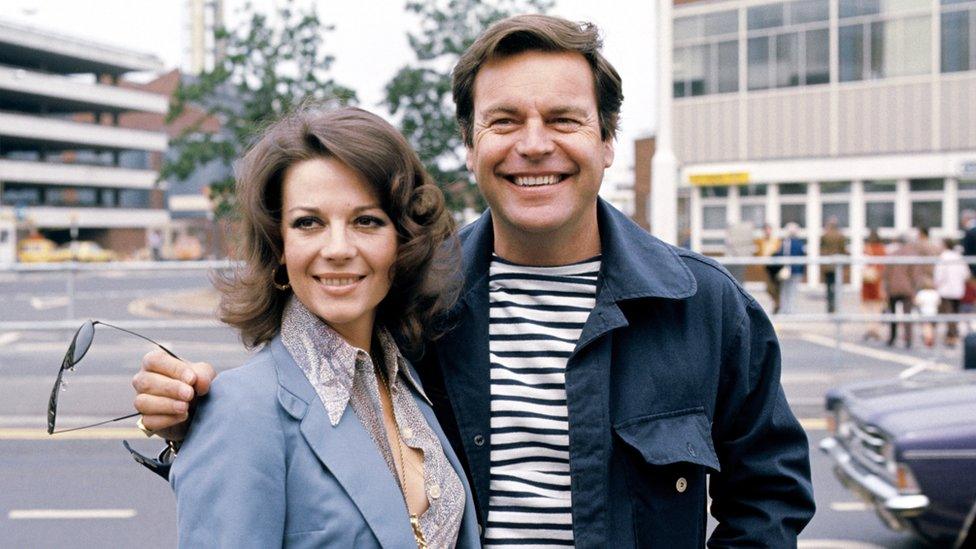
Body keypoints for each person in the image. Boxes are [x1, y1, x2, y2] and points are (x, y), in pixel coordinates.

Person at [132, 15, 814, 547]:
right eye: (505, 121)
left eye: (564, 119)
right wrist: (194, 410)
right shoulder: (415, 302)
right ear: (470, 144)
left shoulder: (703, 306)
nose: (534, 144)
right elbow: (311, 416)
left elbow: (770, 496)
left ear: (607, 141)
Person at [161, 106, 480, 547]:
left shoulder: (410, 383)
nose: (337, 248)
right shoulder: (240, 410)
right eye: (308, 223)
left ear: (401, 242)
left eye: (366, 221)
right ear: (280, 248)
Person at [885, 234, 922, 348]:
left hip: (893, 288)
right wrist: (915, 290)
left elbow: (887, 273)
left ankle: (892, 337)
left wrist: (886, 288)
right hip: (907, 288)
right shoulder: (912, 256)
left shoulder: (893, 254)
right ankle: (908, 339)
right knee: (907, 314)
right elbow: (915, 275)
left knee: (893, 314)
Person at [934, 238, 969, 346]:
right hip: (958, 290)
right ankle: (953, 334)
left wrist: (937, 285)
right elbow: (966, 274)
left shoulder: (943, 257)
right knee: (955, 313)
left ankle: (951, 336)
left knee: (949, 314)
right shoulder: (959, 257)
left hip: (946, 290)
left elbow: (939, 275)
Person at [774, 222, 806, 314]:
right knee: (792, 291)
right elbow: (802, 257)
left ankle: (784, 309)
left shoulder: (785, 243)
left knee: (784, 290)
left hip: (786, 270)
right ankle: (791, 310)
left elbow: (779, 254)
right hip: (796, 271)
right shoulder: (800, 244)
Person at [861, 229, 886, 341]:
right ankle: (876, 329)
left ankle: (870, 328)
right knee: (877, 306)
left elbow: (862, 264)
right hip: (878, 279)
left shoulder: (867, 249)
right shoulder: (882, 249)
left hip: (868, 280)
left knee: (866, 306)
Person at [820, 217, 847, 313]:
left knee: (828, 287)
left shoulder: (825, 235)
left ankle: (830, 307)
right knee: (837, 286)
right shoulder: (840, 236)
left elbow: (821, 250)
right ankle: (836, 306)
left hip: (827, 265)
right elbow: (843, 249)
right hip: (837, 265)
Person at [757, 223, 783, 313]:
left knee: (776, 286)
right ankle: (777, 303)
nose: (767, 232)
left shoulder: (776, 241)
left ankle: (778, 304)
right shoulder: (760, 241)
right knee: (769, 288)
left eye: (768, 229)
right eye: (765, 230)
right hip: (766, 266)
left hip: (775, 266)